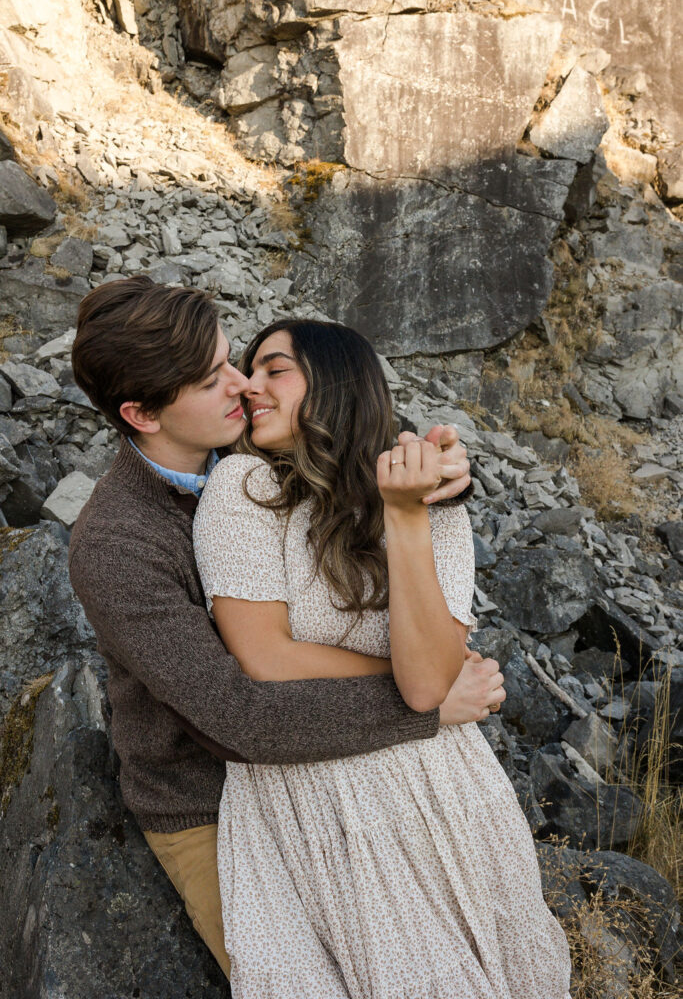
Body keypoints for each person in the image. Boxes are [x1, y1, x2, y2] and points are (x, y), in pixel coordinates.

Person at [68, 275, 505, 980]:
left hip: (343, 763)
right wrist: (425, 700)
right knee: (298, 977)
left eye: (232, 359)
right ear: (142, 414)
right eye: (212, 380)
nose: (243, 385)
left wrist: (444, 469)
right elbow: (238, 717)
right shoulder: (117, 544)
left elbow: (346, 433)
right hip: (208, 795)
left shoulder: (253, 446)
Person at [193, 319, 572, 999]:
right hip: (321, 793)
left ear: (336, 382)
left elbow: (426, 681)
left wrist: (404, 514)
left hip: (447, 789)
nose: (249, 385)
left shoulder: (434, 500)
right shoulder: (244, 486)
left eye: (275, 369)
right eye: (251, 369)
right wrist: (431, 684)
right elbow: (265, 659)